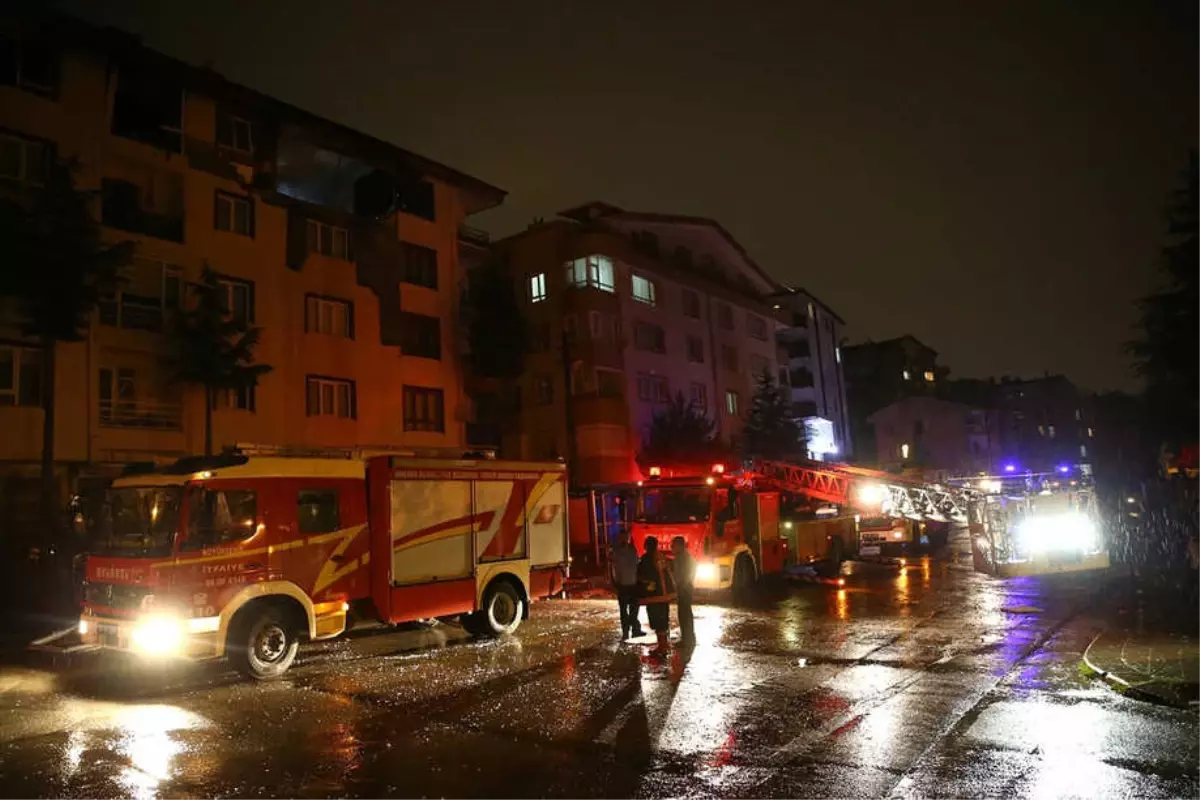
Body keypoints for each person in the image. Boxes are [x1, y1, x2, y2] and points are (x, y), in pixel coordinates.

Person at [637, 536, 676, 655]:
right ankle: (663, 645)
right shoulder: (662, 558)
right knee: (663, 621)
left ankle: (662, 647)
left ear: (647, 546)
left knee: (657, 621)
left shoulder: (646, 559)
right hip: (665, 596)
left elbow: (642, 576)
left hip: (654, 596)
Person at [611, 530, 645, 639]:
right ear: (620, 538)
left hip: (633, 584)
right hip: (622, 585)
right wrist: (614, 583)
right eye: (623, 537)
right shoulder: (615, 551)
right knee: (624, 610)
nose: (625, 540)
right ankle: (626, 631)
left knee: (634, 609)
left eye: (626, 538)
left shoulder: (632, 550)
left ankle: (635, 629)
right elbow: (611, 568)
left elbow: (636, 565)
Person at [671, 536, 696, 647]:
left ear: (680, 546)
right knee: (684, 614)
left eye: (674, 545)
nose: (672, 547)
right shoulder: (681, 558)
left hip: (684, 589)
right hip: (684, 588)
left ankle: (688, 639)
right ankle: (687, 638)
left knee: (685, 614)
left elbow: (686, 576)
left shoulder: (684, 559)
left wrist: (681, 586)